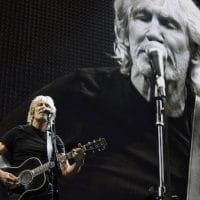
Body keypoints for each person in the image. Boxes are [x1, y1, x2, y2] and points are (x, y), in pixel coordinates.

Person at [1, 0, 200, 199]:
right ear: (126, 34)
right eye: (142, 17)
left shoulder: (196, 124)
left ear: (194, 48)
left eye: (169, 24)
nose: (152, 33)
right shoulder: (82, 91)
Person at [0, 95, 85, 200]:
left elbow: (66, 171)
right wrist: (1, 173)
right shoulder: (18, 132)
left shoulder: (55, 140)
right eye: (40, 105)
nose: (43, 107)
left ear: (51, 114)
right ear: (32, 112)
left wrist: (78, 163)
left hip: (44, 194)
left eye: (47, 106)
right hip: (15, 191)